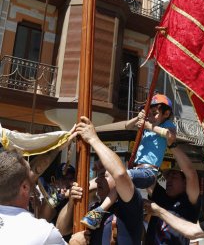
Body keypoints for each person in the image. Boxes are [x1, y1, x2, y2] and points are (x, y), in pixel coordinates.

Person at [81, 94, 176, 229]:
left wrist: (149, 126)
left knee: (123, 175)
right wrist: (139, 118)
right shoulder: (147, 124)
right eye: (150, 113)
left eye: (154, 113)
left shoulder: (166, 125)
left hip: (149, 172)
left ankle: (100, 211)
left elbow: (170, 136)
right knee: (118, 179)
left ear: (166, 114)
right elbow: (127, 126)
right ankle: (97, 206)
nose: (151, 116)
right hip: (137, 169)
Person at [57, 116, 144, 244]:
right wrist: (71, 202)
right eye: (98, 176)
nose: (97, 181)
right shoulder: (94, 207)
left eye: (104, 175)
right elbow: (61, 230)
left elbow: (119, 174)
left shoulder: (130, 205)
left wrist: (93, 139)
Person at [0, 150, 88, 244]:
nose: (68, 182)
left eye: (71, 178)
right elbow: (45, 215)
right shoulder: (43, 231)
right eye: (64, 178)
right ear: (55, 180)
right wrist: (77, 242)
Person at [145, 145, 201, 245]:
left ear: (185, 183)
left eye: (174, 176)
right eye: (168, 177)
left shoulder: (189, 202)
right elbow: (148, 174)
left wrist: (171, 143)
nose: (169, 180)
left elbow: (191, 174)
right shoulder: (160, 196)